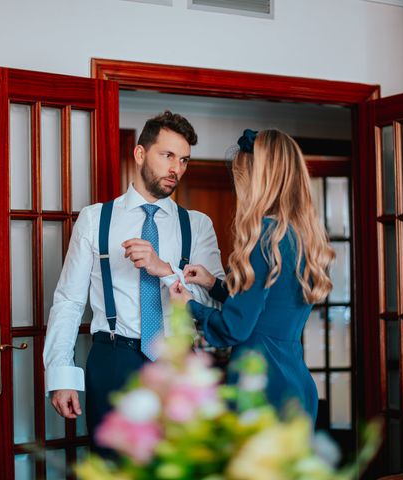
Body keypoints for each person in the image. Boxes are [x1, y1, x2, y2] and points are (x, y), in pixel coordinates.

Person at [43, 111, 224, 452]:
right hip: (113, 359)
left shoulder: (197, 225)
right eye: (167, 155)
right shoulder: (95, 219)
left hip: (178, 360)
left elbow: (215, 301)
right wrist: (61, 375)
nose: (176, 169)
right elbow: (68, 300)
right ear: (140, 154)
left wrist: (165, 268)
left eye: (183, 160)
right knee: (113, 468)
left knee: (177, 468)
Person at [170, 128, 335, 424]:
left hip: (261, 387)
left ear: (259, 182)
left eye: (241, 180)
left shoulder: (266, 238)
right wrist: (212, 284)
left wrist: (189, 308)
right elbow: (267, 305)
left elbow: (235, 328)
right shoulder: (304, 237)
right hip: (295, 383)